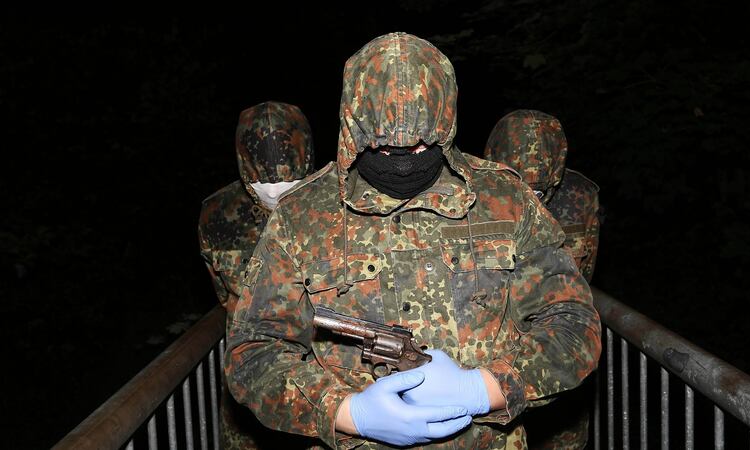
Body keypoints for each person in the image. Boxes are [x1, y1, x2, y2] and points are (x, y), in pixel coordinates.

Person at [225, 32, 601, 449]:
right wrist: (345, 413)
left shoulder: (507, 201)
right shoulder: (300, 216)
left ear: (446, 124)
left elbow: (574, 326)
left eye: (422, 143)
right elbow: (252, 352)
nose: (403, 158)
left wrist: (485, 388)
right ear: (354, 129)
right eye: (383, 147)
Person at [198, 100, 315, 449]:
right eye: (263, 180)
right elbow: (222, 292)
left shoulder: (333, 206)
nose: (276, 189)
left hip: (320, 379)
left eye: (290, 179)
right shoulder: (217, 215)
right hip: (249, 379)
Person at [484, 109, 601, 449]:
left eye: (538, 189)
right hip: (492, 362)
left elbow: (585, 276)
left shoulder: (579, 198)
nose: (529, 198)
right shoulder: (472, 194)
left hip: (557, 358)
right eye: (520, 186)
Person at [485, 110, 600, 282]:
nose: (530, 194)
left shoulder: (579, 196)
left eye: (538, 191)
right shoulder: (476, 194)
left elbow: (585, 270)